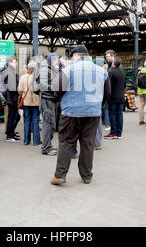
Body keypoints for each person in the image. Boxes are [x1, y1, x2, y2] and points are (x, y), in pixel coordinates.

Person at [50, 45, 111, 186]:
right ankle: (86, 176)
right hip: (93, 113)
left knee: (66, 142)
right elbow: (107, 92)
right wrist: (98, 105)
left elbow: (56, 89)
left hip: (71, 112)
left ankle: (60, 175)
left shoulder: (68, 70)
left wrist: (63, 100)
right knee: (87, 144)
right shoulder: (101, 71)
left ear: (76, 55)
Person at [32, 53, 60, 156]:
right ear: (51, 60)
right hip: (46, 99)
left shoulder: (51, 68)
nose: (58, 61)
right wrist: (56, 87)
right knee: (48, 124)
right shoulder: (44, 69)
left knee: (51, 124)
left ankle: (48, 145)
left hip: (50, 99)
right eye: (56, 59)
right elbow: (43, 85)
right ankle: (46, 148)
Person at [0, 55, 21, 142]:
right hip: (12, 98)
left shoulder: (7, 71)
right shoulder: (10, 72)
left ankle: (11, 133)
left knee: (15, 116)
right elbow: (12, 88)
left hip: (10, 98)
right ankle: (10, 135)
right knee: (13, 117)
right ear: (10, 62)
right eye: (15, 62)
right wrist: (19, 91)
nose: (16, 64)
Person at [19, 61, 41, 146]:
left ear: (28, 68)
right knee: (35, 121)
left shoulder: (23, 77)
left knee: (26, 121)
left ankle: (26, 140)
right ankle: (36, 141)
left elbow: (20, 91)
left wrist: (23, 94)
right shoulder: (38, 78)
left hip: (26, 102)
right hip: (36, 102)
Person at [104, 57, 126, 140]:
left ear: (113, 63)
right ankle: (119, 133)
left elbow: (109, 86)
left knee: (112, 115)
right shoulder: (122, 72)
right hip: (121, 97)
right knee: (119, 115)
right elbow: (124, 85)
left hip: (113, 97)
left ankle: (113, 132)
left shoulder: (110, 72)